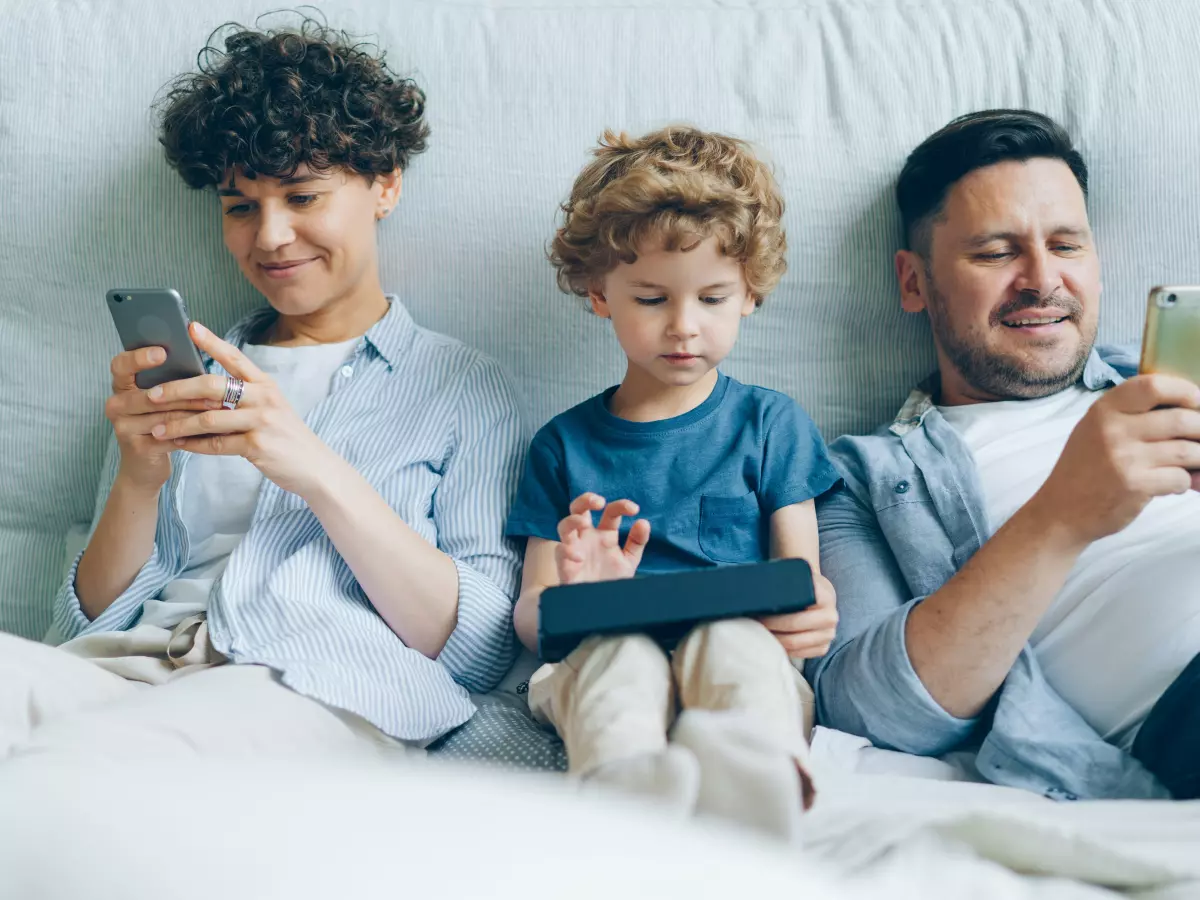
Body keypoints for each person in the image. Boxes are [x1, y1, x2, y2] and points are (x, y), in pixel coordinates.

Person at [0, 18, 524, 760]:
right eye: (240, 206)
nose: (270, 237)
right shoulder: (192, 373)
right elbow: (82, 625)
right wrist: (139, 480)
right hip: (133, 668)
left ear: (385, 186)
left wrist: (312, 467)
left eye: (303, 197)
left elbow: (479, 650)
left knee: (108, 759)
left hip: (310, 682)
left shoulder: (462, 388)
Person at [810, 108, 1200, 800]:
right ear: (913, 282)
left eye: (1067, 246)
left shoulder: (1172, 388)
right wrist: (1063, 514)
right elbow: (867, 707)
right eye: (996, 252)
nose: (1042, 280)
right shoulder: (859, 479)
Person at [506, 126, 841, 839]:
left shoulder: (770, 424)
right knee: (620, 658)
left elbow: (801, 583)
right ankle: (628, 813)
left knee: (731, 640)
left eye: (713, 298)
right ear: (600, 295)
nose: (684, 328)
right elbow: (533, 621)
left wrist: (812, 612)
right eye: (652, 299)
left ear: (750, 294)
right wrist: (576, 597)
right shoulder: (562, 445)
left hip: (741, 652)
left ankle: (760, 795)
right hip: (597, 652)